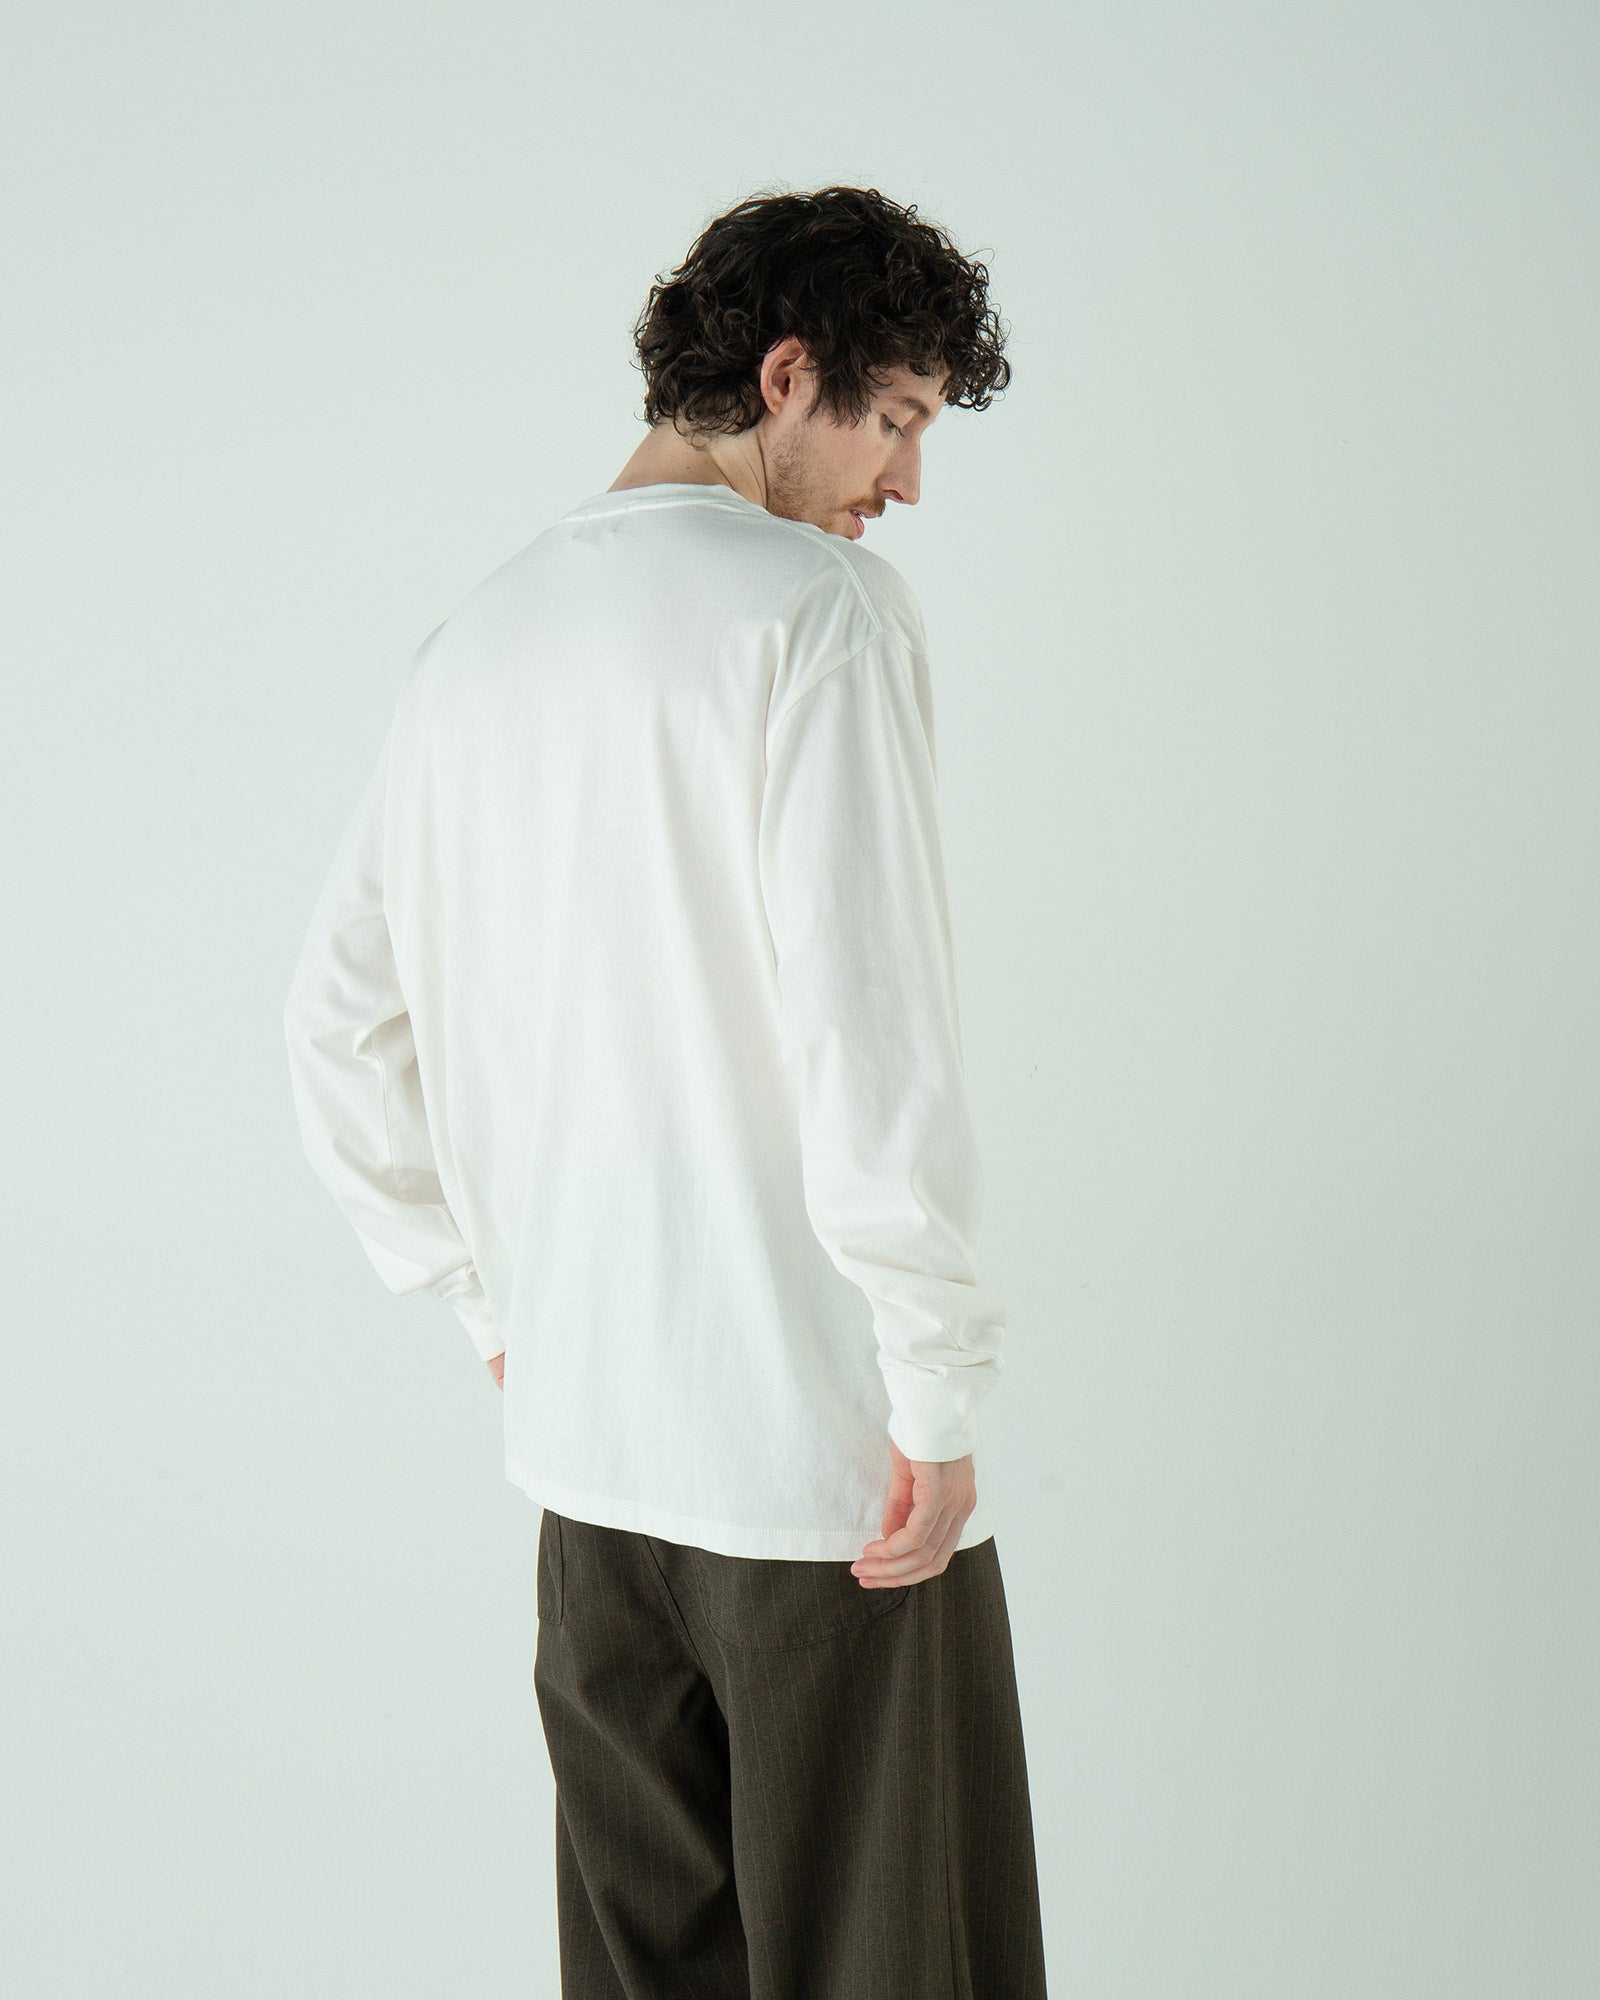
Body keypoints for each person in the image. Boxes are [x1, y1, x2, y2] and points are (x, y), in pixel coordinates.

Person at [282, 183, 1048, 1998]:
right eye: (898, 420)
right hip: (822, 1478)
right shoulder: (818, 616)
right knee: (895, 1961)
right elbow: (871, 1034)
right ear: (787, 378)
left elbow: (332, 1024)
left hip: (589, 1481)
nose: (907, 485)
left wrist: (484, 1304)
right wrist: (934, 1385)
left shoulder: (476, 643)